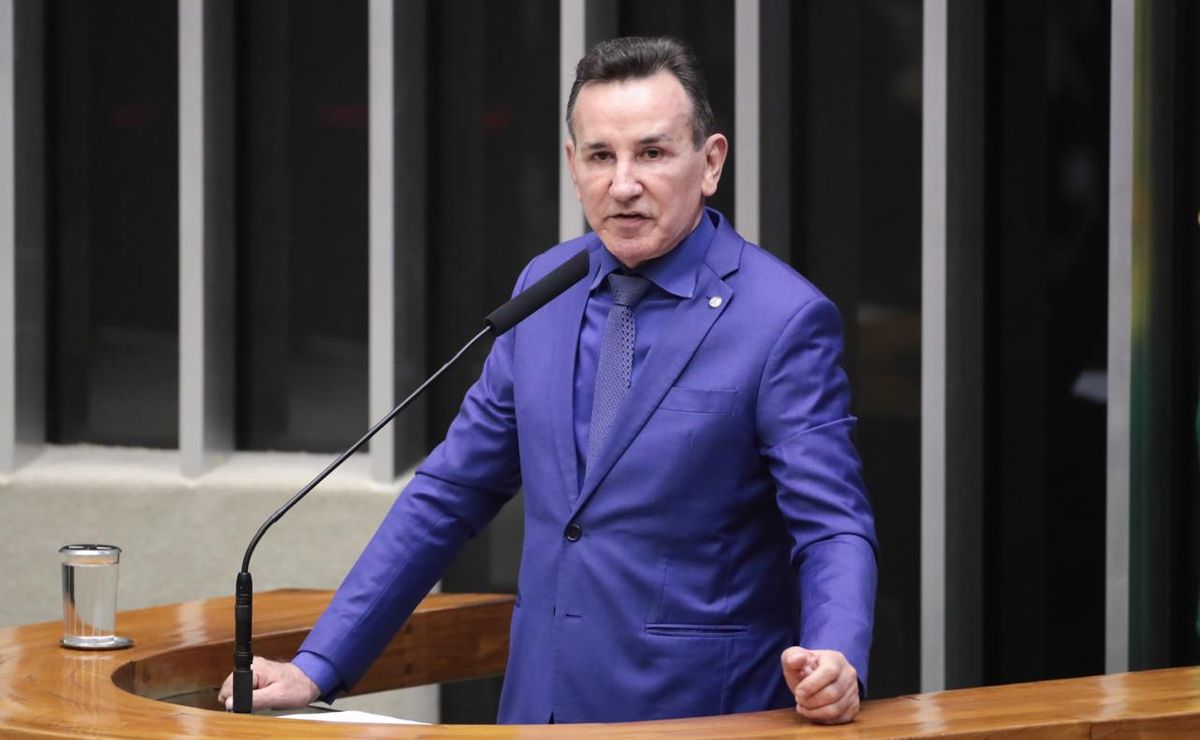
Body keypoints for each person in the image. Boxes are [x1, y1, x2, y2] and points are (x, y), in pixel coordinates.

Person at [219, 36, 877, 725]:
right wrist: (318, 665)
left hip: (695, 716)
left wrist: (836, 654)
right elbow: (451, 491)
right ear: (572, 164)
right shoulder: (544, 289)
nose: (623, 184)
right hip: (540, 710)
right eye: (601, 156)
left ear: (710, 162)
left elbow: (832, 525)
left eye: (652, 153)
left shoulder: (781, 318)